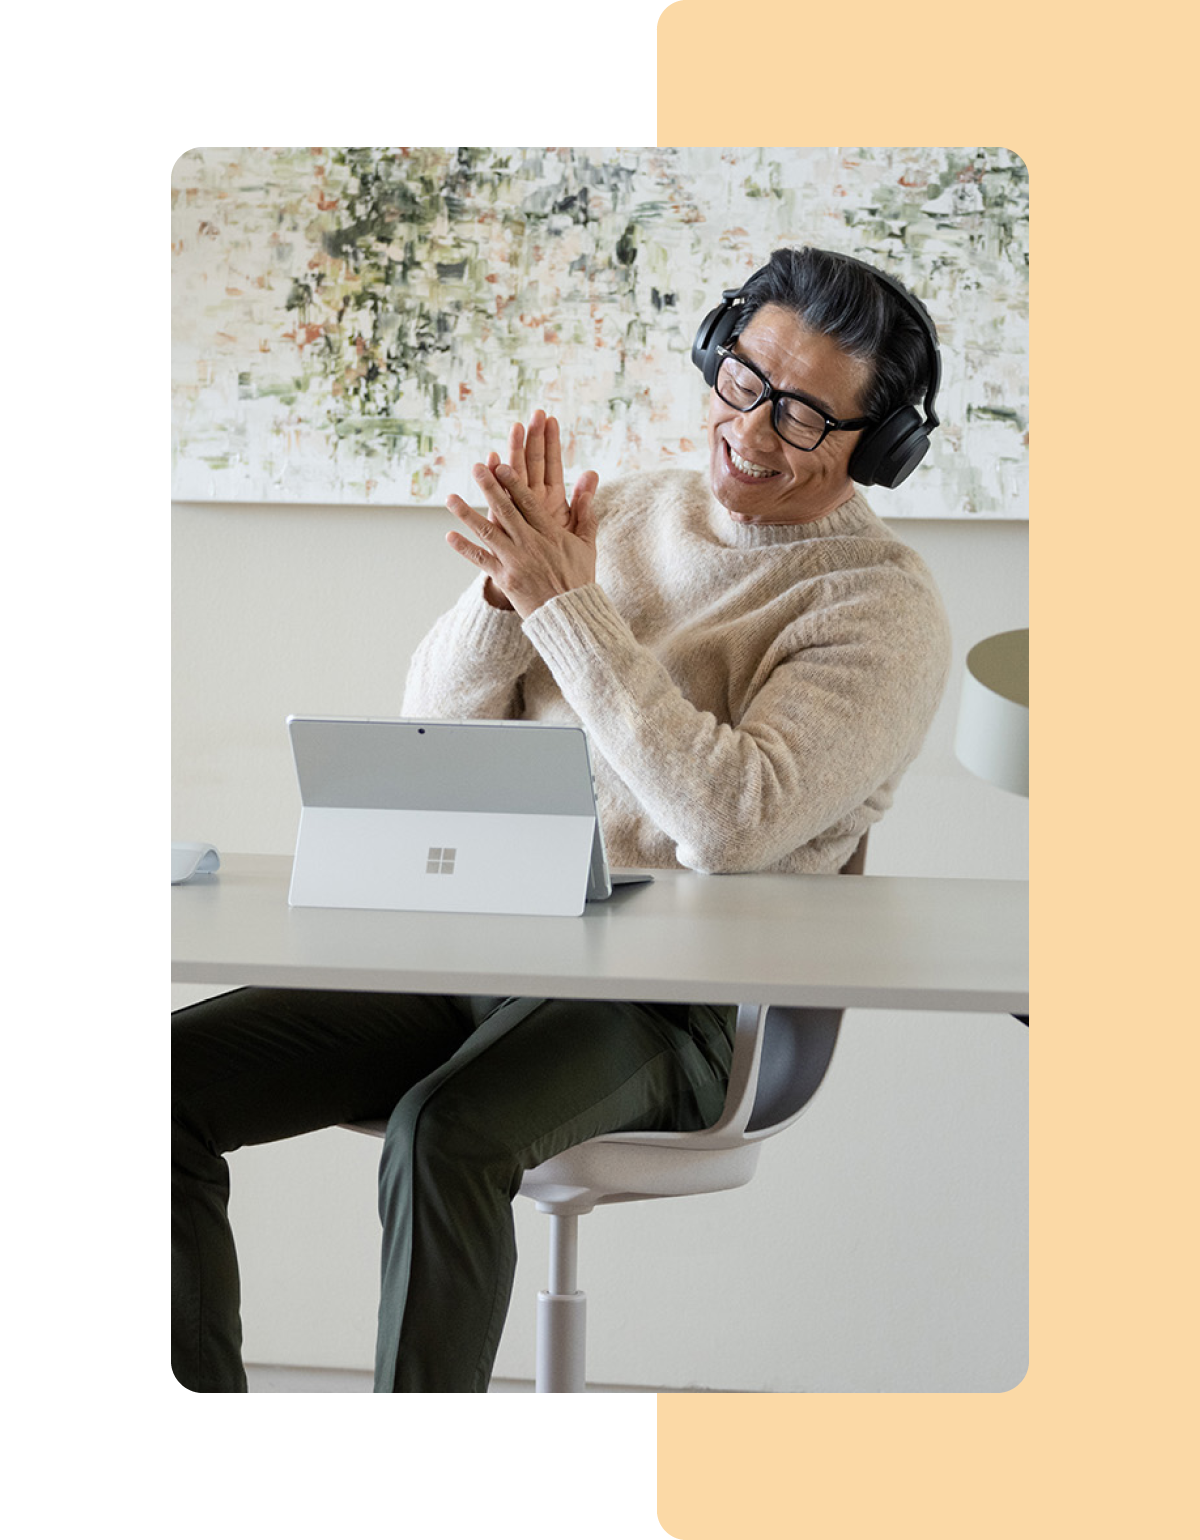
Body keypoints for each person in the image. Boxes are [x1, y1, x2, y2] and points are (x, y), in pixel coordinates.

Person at [172, 245, 951, 1393]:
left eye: (801, 415)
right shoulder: (625, 513)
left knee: (445, 1130)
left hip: (673, 1005)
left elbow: (731, 823)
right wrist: (504, 595)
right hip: (478, 948)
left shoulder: (879, 608)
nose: (751, 426)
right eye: (742, 378)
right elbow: (430, 730)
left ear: (872, 445)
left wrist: (566, 604)